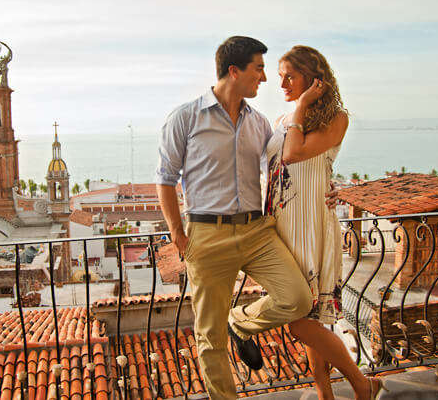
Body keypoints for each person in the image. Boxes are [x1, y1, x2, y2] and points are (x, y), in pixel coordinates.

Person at [156, 36, 315, 399]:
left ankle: (240, 321)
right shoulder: (186, 118)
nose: (264, 78)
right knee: (209, 337)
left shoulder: (258, 123)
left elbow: (280, 167)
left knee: (297, 298)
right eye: (258, 69)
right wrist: (178, 234)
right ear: (234, 70)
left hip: (257, 231)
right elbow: (165, 179)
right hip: (206, 235)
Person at [265, 45, 385, 400]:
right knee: (308, 321)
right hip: (281, 224)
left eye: (290, 76)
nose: (282, 83)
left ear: (313, 79)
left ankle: (362, 385)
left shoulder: (337, 118)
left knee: (302, 318)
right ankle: (329, 395)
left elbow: (293, 153)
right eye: (280, 76)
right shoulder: (278, 121)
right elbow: (273, 168)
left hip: (310, 226)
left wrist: (300, 106)